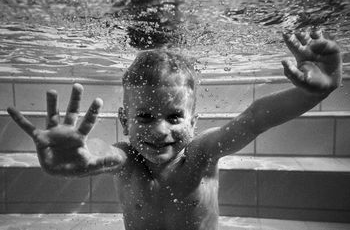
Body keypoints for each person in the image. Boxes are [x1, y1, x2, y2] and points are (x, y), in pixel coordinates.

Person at [7, 29, 342, 230]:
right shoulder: (127, 159)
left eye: (173, 116)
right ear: (125, 122)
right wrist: (76, 159)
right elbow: (98, 154)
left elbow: (255, 118)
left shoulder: (202, 154)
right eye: (146, 117)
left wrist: (313, 92)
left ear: (193, 123)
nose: (160, 130)